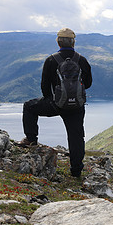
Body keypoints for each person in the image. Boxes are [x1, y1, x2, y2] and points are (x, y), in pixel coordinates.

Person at [17, 28, 92, 177]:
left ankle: (31, 139)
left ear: (58, 42)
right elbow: (88, 83)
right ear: (73, 42)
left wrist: (50, 100)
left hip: (56, 104)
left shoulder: (51, 60)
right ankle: (76, 170)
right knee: (76, 136)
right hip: (76, 106)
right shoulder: (81, 60)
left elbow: (44, 85)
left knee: (29, 107)